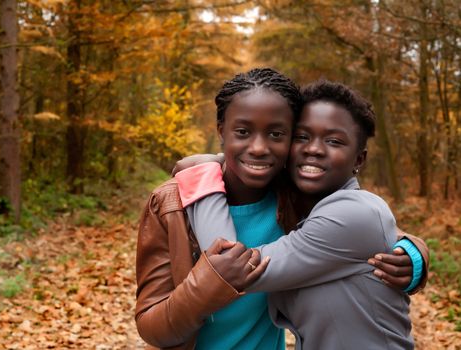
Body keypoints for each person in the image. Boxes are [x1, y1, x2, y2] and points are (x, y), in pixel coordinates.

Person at [135, 69, 426, 349]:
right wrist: (204, 288)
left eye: (276, 134)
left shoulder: (293, 195)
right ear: (221, 130)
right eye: (243, 131)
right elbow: (151, 326)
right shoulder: (171, 204)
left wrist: (414, 252)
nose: (260, 147)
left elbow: (366, 227)